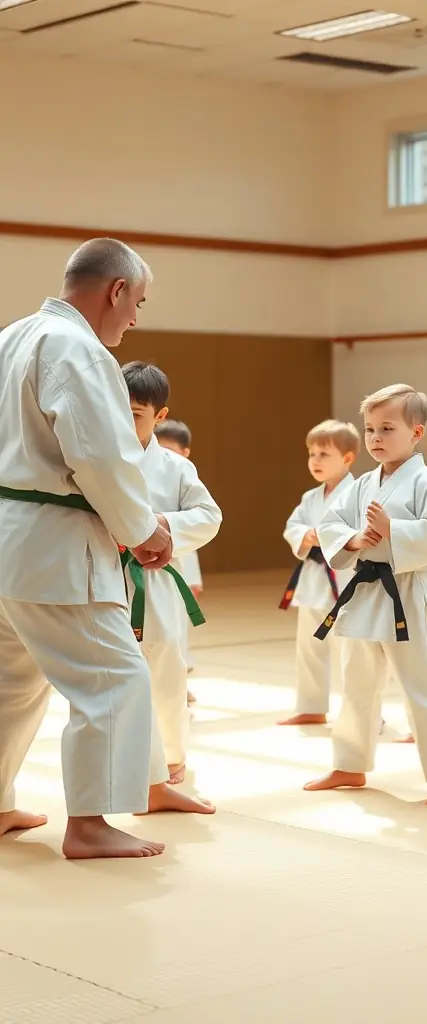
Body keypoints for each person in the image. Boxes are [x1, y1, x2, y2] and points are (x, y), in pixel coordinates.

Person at [0, 237, 181, 859]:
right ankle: (90, 824)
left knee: (11, 682)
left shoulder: (11, 336)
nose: (135, 317)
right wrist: (144, 530)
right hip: (55, 546)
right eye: (139, 302)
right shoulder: (77, 348)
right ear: (116, 290)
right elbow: (99, 457)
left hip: (6, 539)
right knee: (113, 679)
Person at [304, 384, 427, 805]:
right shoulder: (361, 484)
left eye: (386, 428)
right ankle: (350, 762)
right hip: (366, 593)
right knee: (357, 684)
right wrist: (355, 540)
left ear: (416, 433)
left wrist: (396, 531)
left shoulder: (426, 481)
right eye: (370, 429)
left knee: (423, 685)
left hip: (409, 592)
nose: (375, 438)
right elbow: (331, 524)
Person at [123, 362, 221, 797]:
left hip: (156, 578)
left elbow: (209, 516)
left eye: (137, 413)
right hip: (101, 576)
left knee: (166, 666)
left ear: (160, 417)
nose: (125, 420)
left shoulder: (177, 468)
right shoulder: (94, 459)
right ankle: (123, 759)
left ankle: (172, 755)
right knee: (111, 673)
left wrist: (159, 525)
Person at [278, 419, 359, 726]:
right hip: (313, 579)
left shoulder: (358, 493)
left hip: (345, 579)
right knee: (309, 644)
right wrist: (305, 535)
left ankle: (364, 713)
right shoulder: (311, 497)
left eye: (324, 454)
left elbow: (360, 532)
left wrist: (327, 536)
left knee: (349, 648)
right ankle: (312, 705)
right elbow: (292, 526)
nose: (315, 460)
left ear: (348, 458)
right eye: (312, 454)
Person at [155, 419, 204, 698]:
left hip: (178, 571)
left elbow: (190, 541)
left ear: (186, 453)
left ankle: (179, 683)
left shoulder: (185, 484)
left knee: (177, 631)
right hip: (148, 570)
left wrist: (194, 581)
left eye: (171, 450)